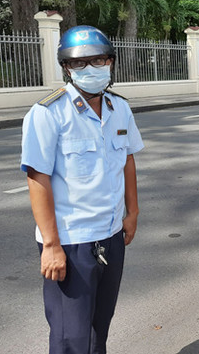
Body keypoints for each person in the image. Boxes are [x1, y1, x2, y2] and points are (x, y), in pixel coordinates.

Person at [20, 25, 144, 353]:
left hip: (111, 236)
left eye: (99, 60)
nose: (91, 69)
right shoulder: (47, 113)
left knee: (98, 329)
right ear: (66, 68)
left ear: (111, 62)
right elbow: (37, 178)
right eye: (80, 63)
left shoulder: (120, 108)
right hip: (70, 243)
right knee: (70, 338)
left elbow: (127, 160)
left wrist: (132, 212)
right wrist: (51, 245)